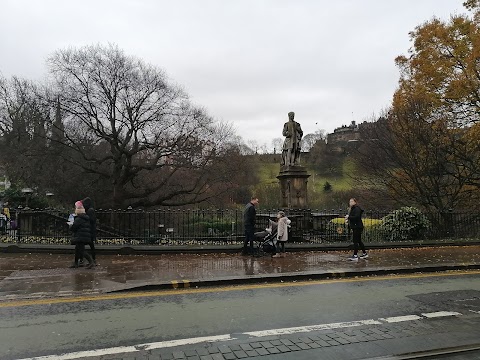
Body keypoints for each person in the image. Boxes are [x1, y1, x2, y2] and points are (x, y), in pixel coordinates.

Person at [69, 201, 95, 269]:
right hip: (83, 236)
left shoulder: (78, 219)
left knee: (81, 250)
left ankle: (91, 262)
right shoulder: (85, 218)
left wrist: (70, 224)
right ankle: (75, 263)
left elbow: (73, 228)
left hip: (80, 236)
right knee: (77, 249)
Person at [80, 197, 97, 266]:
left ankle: (91, 260)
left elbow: (91, 220)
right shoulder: (89, 210)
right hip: (90, 231)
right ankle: (92, 259)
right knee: (91, 246)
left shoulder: (90, 211)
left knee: (88, 245)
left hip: (90, 231)